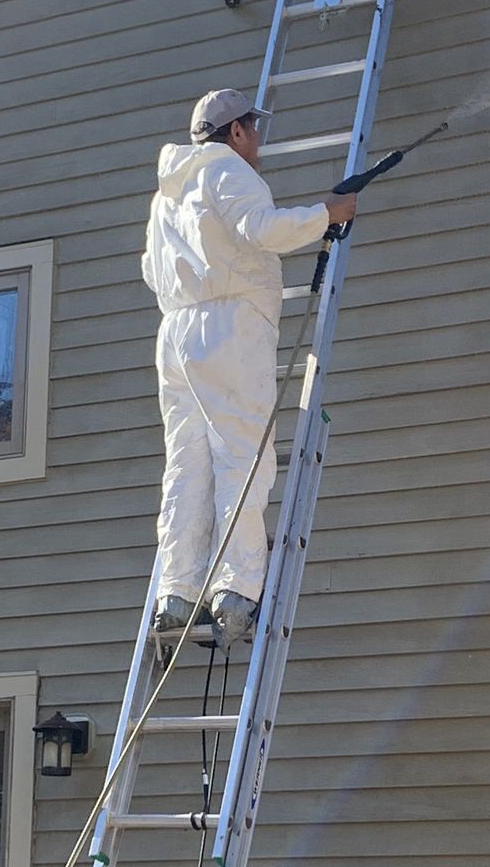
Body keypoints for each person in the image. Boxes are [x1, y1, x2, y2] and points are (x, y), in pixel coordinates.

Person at [140, 88, 360, 648]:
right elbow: (262, 229)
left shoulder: (168, 192)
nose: (257, 141)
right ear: (234, 131)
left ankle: (178, 592)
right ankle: (235, 592)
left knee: (188, 464)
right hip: (229, 326)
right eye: (252, 130)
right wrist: (326, 214)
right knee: (242, 453)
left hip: (175, 333)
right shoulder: (225, 170)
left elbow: (150, 269)